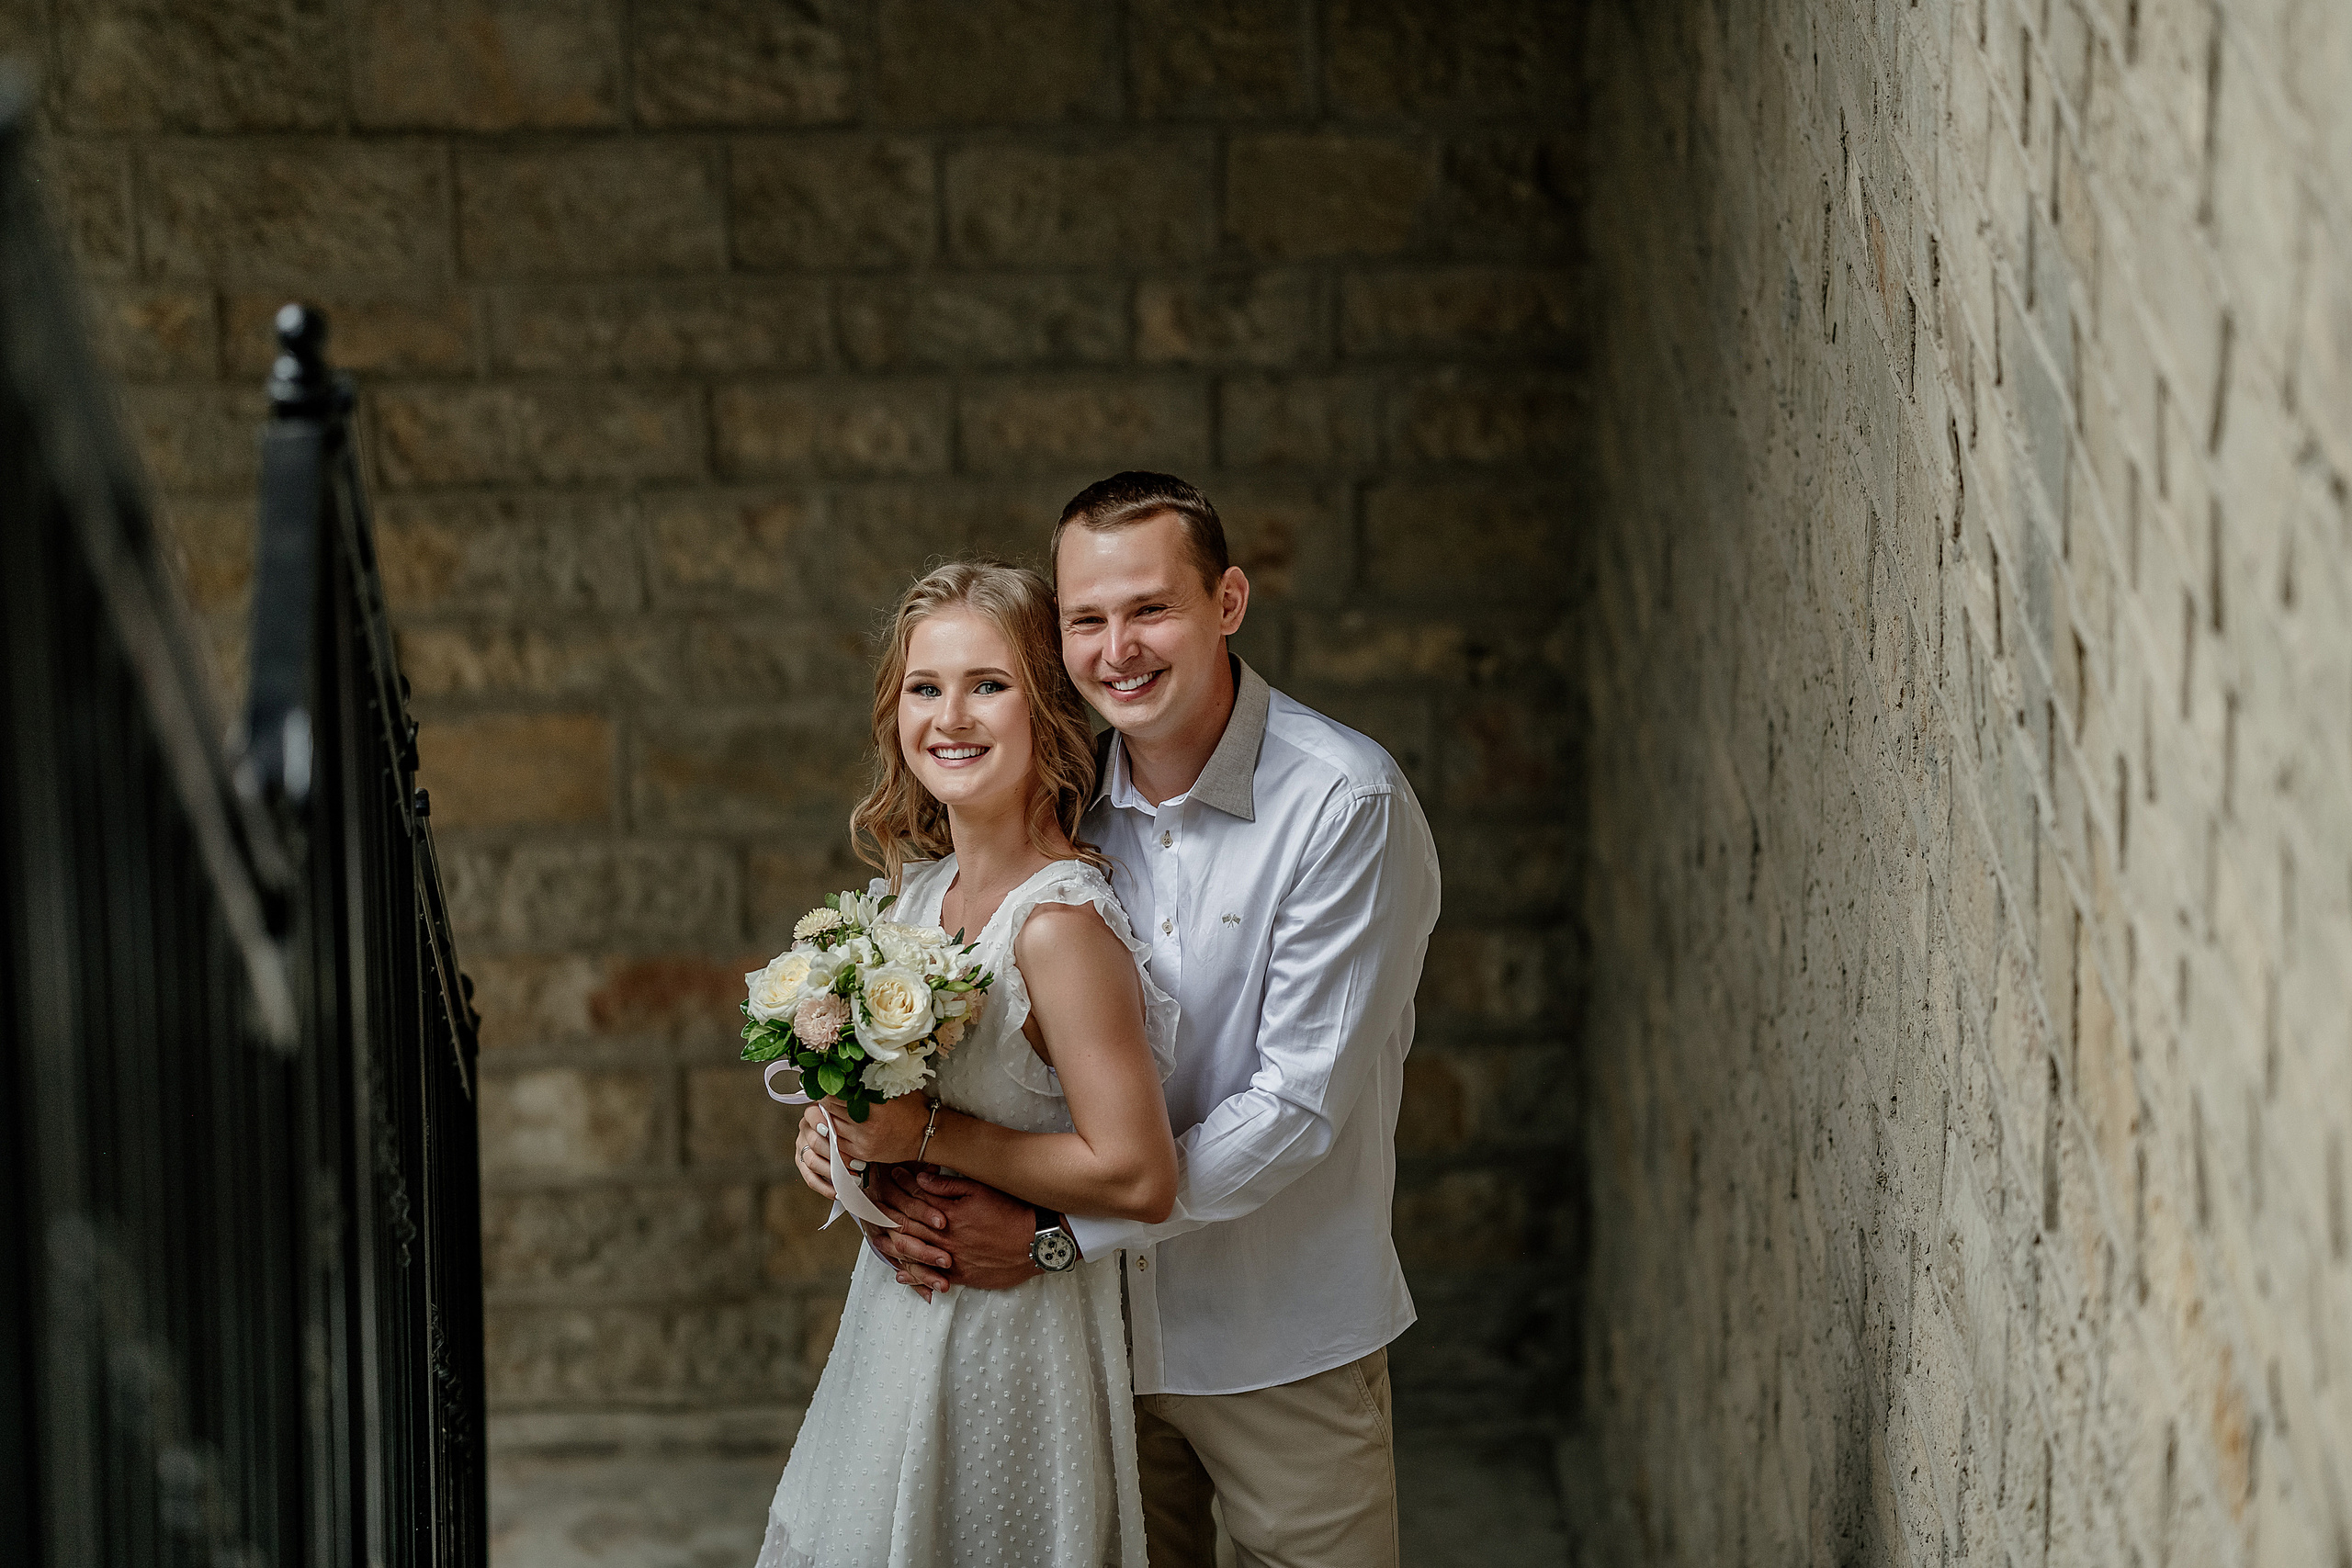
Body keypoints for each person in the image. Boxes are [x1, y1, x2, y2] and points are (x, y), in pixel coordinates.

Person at [797, 474, 1443, 1568]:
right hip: (1086, 1345)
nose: (1118, 649)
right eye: (1086, 620)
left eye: (1150, 609)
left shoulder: (1342, 804)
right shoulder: (1054, 794)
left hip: (1272, 1334)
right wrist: (846, 1126)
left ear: (1227, 601)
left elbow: (1292, 1108)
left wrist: (1056, 1233)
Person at [756, 560, 1181, 1568]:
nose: (951, 717)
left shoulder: (1059, 926)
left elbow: (1139, 1174)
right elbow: (895, 1109)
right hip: (895, 1335)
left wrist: (930, 1137)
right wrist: (835, 1131)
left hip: (1012, 1348)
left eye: (988, 685)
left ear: (1047, 711)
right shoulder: (915, 896)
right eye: (925, 687)